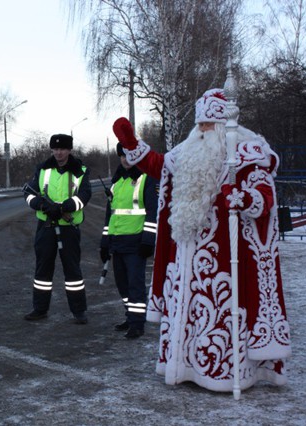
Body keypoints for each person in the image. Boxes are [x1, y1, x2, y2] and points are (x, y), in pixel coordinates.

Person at [112, 89, 291, 392]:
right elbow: (158, 165)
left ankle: (222, 374)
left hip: (226, 258)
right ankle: (187, 369)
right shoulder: (186, 152)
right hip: (186, 258)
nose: (204, 131)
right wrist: (132, 144)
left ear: (223, 126)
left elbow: (265, 196)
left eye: (209, 125)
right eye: (200, 125)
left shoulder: (247, 153)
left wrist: (244, 198)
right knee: (189, 313)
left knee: (222, 314)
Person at [23, 133, 92, 324]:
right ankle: (40, 309)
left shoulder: (81, 170)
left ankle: (79, 311)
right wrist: (42, 205)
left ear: (69, 150)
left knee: (73, 272)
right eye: (55, 148)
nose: (59, 152)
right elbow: (28, 194)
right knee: (42, 271)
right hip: (46, 227)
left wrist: (63, 207)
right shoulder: (42, 169)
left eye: (62, 149)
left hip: (69, 227)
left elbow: (84, 196)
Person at [100, 142, 158, 339]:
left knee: (135, 285)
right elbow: (111, 214)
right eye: (122, 155)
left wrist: (148, 241)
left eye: (129, 155)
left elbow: (152, 212)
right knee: (122, 285)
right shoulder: (117, 182)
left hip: (136, 242)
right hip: (117, 241)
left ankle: (137, 323)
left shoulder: (146, 178)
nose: (125, 159)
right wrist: (105, 241)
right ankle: (130, 315)